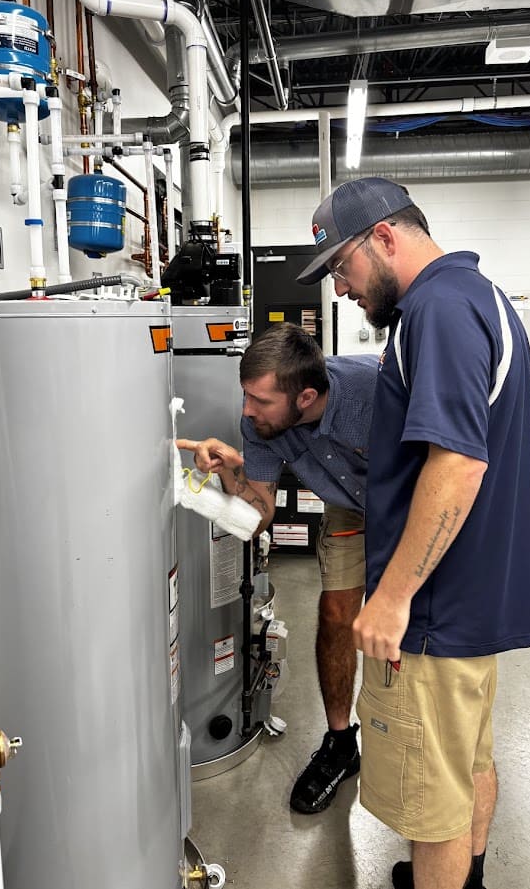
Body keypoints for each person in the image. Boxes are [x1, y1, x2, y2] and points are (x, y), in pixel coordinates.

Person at [298, 177, 530, 889]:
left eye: (341, 265)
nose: (340, 287)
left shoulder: (435, 310)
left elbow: (457, 462)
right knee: (466, 765)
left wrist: (394, 595)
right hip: (471, 600)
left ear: (384, 237)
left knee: (432, 811)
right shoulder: (479, 297)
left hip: (431, 613)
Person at [177, 322, 379, 814]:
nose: (246, 410)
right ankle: (340, 744)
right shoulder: (260, 425)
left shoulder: (375, 391)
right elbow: (259, 516)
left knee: (411, 629)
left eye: (260, 400)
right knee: (336, 614)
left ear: (306, 397)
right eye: (245, 395)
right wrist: (230, 470)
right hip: (350, 508)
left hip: (409, 501)